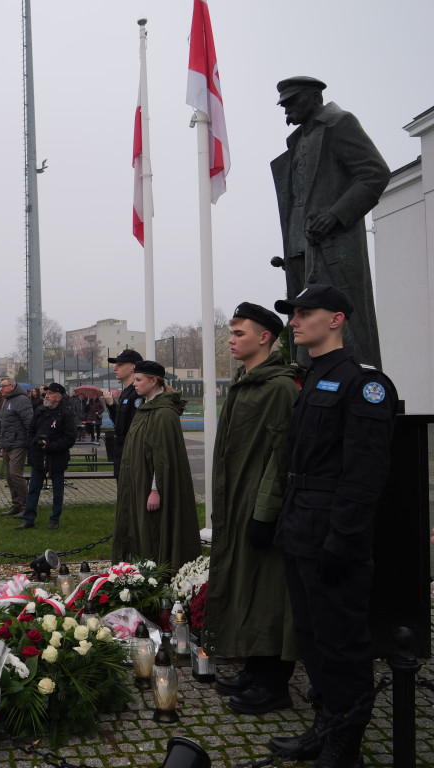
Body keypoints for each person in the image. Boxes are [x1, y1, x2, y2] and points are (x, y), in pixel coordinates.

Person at [267, 285, 397, 766]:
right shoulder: (314, 376)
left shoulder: (364, 383)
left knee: (341, 642)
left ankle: (345, 746)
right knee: (313, 637)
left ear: (336, 319)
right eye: (293, 314)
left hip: (332, 533)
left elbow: (365, 475)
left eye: (305, 313)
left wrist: (342, 539)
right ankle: (324, 725)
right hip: (300, 526)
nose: (295, 322)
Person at [202, 303, 299, 716]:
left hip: (261, 509)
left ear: (264, 338)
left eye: (239, 333)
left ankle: (274, 684)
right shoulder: (247, 382)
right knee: (248, 586)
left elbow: (283, 457)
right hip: (238, 504)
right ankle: (256, 669)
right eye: (231, 332)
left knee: (270, 591)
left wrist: (265, 512)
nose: (230, 339)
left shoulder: (279, 388)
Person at [271, 76, 390, 368]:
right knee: (304, 318)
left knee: (339, 317)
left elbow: (375, 173)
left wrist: (336, 215)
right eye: (284, 105)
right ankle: (308, 377)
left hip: (333, 241)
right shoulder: (297, 141)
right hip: (298, 244)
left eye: (292, 102)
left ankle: (354, 378)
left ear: (314, 97)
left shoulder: (339, 123)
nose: (287, 110)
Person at [111, 360, 201, 569]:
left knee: (153, 529)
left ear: (153, 381)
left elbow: (163, 457)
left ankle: (155, 572)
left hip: (152, 487)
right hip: (138, 481)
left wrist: (155, 489)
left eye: (139, 380)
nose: (134, 384)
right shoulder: (146, 408)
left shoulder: (164, 413)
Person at [15, 382, 77, 531]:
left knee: (57, 491)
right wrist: (33, 444)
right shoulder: (40, 411)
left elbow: (69, 439)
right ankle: (29, 519)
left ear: (58, 397)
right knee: (33, 489)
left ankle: (54, 519)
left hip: (57, 457)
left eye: (50, 393)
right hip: (38, 456)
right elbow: (31, 430)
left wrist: (49, 446)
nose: (46, 396)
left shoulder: (66, 414)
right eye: (46, 393)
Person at [103, 349, 143, 479]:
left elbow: (135, 429)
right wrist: (111, 405)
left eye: (120, 365)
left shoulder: (137, 394)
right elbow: (120, 423)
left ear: (133, 368)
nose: (115, 368)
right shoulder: (126, 393)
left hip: (131, 454)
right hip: (122, 452)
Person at [0, 378, 34, 519]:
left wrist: (30, 443)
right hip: (8, 443)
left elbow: (29, 422)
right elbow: (5, 426)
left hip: (19, 443)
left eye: (4, 386)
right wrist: (2, 445)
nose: (1, 389)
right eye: (1, 386)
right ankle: (16, 504)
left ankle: (27, 506)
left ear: (12, 386)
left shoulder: (22, 400)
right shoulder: (7, 400)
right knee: (9, 476)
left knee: (15, 474)